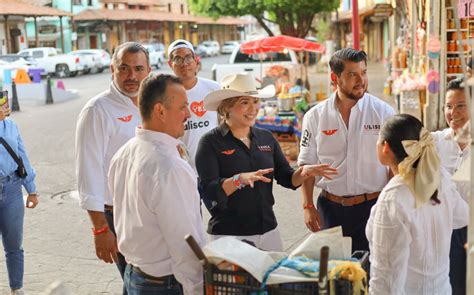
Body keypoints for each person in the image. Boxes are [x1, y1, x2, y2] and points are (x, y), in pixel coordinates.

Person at [196, 72, 337, 251]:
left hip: (269, 231)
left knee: (273, 279)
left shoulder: (266, 138)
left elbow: (286, 177)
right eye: (244, 102)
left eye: (255, 101)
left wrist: (304, 172)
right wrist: (239, 180)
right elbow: (209, 191)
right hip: (229, 234)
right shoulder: (209, 143)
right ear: (226, 108)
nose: (253, 108)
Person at [108, 74, 206, 295]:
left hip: (135, 275)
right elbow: (185, 243)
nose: (188, 114)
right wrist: (198, 289)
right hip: (164, 284)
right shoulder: (169, 167)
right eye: (183, 107)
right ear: (160, 111)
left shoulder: (124, 153)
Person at [297, 48, 396, 252]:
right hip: (330, 210)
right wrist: (307, 206)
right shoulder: (314, 116)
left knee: (370, 272)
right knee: (334, 273)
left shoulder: (383, 112)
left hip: (373, 207)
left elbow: (395, 166)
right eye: (352, 74)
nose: (361, 80)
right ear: (335, 77)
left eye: (364, 72)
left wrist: (392, 205)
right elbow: (307, 165)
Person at [366, 114, 468, 294]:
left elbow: (386, 281)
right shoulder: (439, 177)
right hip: (442, 289)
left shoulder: (393, 197)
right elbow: (461, 217)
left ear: (385, 148)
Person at [75, 42, 151, 279]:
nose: (132, 76)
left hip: (149, 211)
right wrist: (100, 228)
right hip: (117, 214)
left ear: (148, 70)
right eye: (124, 68)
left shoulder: (151, 103)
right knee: (137, 280)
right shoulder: (97, 109)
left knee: (148, 281)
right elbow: (88, 171)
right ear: (112, 69)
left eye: (138, 69)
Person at [431, 78, 469, 295]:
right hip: (443, 231)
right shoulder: (435, 142)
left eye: (460, 106)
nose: (453, 112)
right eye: (448, 106)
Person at [0, 96, 38, 295]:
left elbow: (22, 157)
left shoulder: (11, 126)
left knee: (14, 243)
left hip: (12, 188)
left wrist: (31, 190)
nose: (5, 106)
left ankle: (17, 288)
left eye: (4, 101)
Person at [167, 39, 220, 171]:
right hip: (182, 169)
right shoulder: (165, 94)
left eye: (188, 58)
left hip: (214, 167)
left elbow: (224, 123)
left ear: (196, 60)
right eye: (178, 59)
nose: (184, 64)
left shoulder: (213, 88)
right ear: (170, 64)